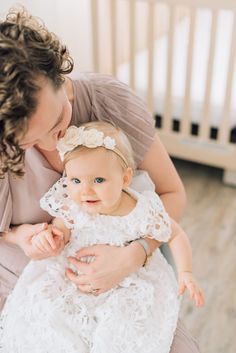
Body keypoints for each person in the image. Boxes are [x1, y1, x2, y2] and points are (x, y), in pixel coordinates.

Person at [0, 7, 201, 352]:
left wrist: (135, 254)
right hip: (21, 281)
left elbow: (171, 193)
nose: (53, 145)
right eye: (29, 143)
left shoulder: (110, 104)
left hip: (122, 283)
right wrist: (21, 236)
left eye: (57, 122)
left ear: (61, 76)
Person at [0, 122, 204, 353]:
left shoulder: (140, 209)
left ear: (125, 179)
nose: (86, 191)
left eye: (98, 180)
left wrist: (185, 272)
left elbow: (175, 234)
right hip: (72, 279)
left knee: (123, 326)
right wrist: (52, 238)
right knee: (48, 313)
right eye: (76, 181)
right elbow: (61, 227)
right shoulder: (73, 204)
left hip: (125, 284)